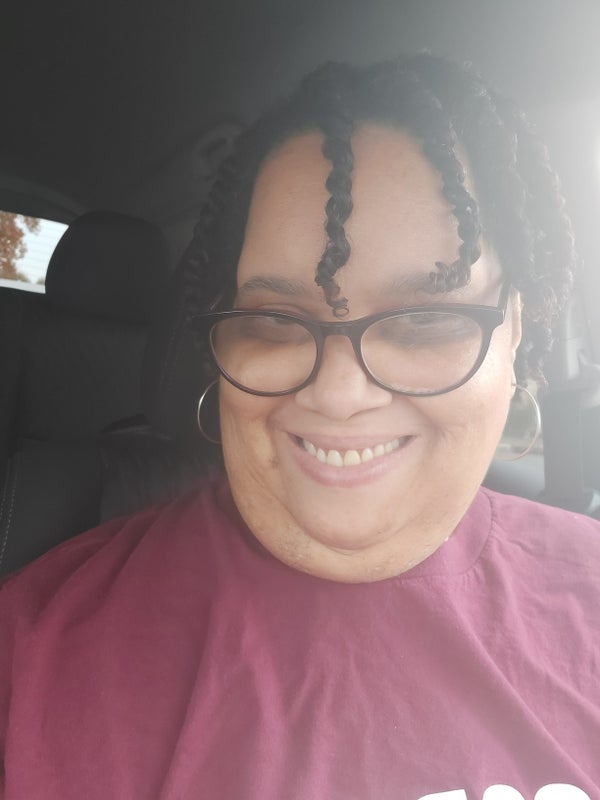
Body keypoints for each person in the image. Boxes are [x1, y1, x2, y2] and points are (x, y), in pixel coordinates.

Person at [1, 54, 599, 800]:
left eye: (425, 319)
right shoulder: (30, 656)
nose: (339, 395)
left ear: (517, 330)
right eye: (276, 320)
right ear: (218, 347)